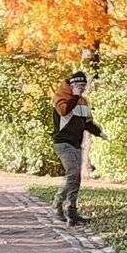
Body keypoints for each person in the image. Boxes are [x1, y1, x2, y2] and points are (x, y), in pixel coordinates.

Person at [51, 70, 106, 225]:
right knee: (73, 174)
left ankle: (72, 212)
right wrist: (74, 96)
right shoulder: (60, 97)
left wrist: (99, 133)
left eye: (84, 85)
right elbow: (64, 111)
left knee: (76, 179)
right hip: (63, 143)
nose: (82, 88)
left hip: (76, 144)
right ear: (73, 85)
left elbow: (87, 123)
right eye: (80, 85)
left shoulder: (83, 102)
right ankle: (57, 203)